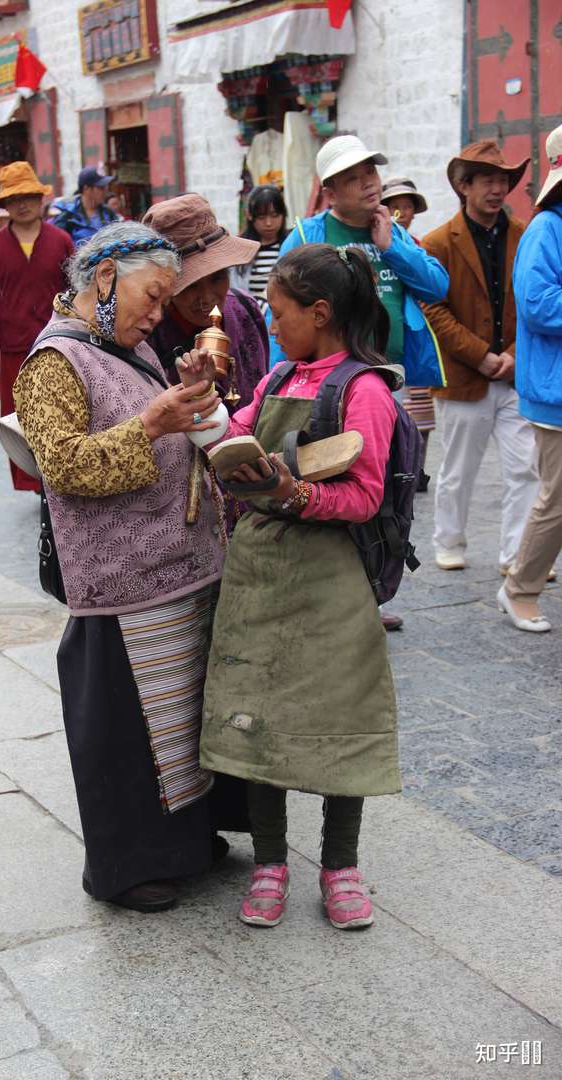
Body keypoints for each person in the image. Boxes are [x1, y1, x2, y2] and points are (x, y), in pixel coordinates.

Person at [13, 221, 245, 912]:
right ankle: (132, 865)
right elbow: (64, 467)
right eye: (151, 296)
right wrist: (152, 424)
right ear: (105, 278)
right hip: (120, 583)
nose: (156, 313)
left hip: (183, 566)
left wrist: (187, 397)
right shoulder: (52, 363)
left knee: (183, 719)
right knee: (131, 733)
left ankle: (192, 841)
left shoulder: (128, 344)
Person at [194, 243, 401, 929]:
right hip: (258, 574)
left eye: (280, 313)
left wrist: (295, 493)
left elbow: (366, 496)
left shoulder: (363, 390)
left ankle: (341, 865)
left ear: (320, 313)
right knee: (258, 718)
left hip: (330, 580)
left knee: (342, 722)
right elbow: (238, 435)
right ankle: (272, 863)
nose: (270, 324)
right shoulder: (280, 371)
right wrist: (205, 410)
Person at [279, 135, 449, 630]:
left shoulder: (392, 231)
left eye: (371, 172)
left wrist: (391, 246)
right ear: (330, 191)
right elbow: (284, 312)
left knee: (383, 491)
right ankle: (330, 600)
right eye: (353, 178)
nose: (369, 183)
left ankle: (366, 596)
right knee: (333, 488)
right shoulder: (309, 234)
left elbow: (437, 286)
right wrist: (283, 381)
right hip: (328, 389)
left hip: (386, 385)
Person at [422, 141, 540, 574]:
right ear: (463, 185)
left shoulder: (526, 234)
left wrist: (511, 355)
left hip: (514, 375)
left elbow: (534, 301)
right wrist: (480, 356)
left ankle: (518, 555)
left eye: (504, 180)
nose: (497, 189)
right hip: (463, 376)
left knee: (526, 467)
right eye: (487, 179)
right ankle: (449, 541)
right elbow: (432, 309)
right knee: (457, 470)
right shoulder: (438, 242)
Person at [498, 124, 562, 631]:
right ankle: (519, 588)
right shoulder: (545, 230)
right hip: (556, 395)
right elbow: (539, 306)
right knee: (556, 500)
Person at [0, 162, 74, 493]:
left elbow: (77, 291)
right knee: (18, 416)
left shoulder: (61, 241)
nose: (22, 204)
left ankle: (60, 473)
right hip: (15, 346)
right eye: (15, 198)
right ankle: (34, 481)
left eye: (29, 196)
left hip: (58, 342)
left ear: (40, 199)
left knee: (62, 411)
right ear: (5, 204)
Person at [143, 194, 269, 411]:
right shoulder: (147, 335)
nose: (208, 297)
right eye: (190, 286)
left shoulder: (246, 310)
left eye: (218, 278)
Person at [380, 177, 434, 487]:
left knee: (420, 414)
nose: (402, 211)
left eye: (407, 206)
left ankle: (416, 469)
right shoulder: (384, 245)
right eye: (395, 206)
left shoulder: (414, 247)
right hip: (389, 347)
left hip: (412, 343)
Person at [230, 184, 288, 313]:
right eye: (262, 217)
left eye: (274, 215)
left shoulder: (290, 245)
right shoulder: (240, 250)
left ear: (283, 215)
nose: (268, 223)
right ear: (250, 216)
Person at [53, 166, 116, 246]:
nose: (105, 191)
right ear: (86, 188)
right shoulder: (68, 216)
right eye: (101, 188)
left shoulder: (109, 213)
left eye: (105, 187)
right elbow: (57, 245)